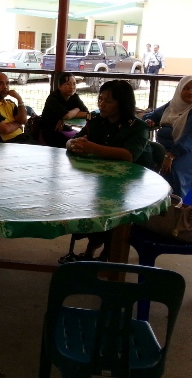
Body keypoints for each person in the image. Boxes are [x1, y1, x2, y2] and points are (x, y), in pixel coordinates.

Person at [62, 80, 153, 262]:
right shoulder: (96, 121)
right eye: (100, 99)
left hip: (132, 184)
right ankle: (93, 247)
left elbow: (128, 155)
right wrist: (72, 144)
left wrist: (91, 148)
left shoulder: (138, 127)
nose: (101, 104)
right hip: (101, 178)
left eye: (108, 101)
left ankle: (109, 254)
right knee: (82, 200)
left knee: (112, 207)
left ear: (123, 103)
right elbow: (77, 139)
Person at [144, 76, 192, 198]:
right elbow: (152, 115)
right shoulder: (173, 105)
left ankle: (181, 204)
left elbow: (189, 140)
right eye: (186, 88)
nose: (190, 92)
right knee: (146, 160)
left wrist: (170, 156)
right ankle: (156, 201)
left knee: (175, 169)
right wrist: (149, 120)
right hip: (168, 149)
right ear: (179, 89)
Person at [0, 72, 35, 144]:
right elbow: (4, 129)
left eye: (7, 83)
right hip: (8, 144)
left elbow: (23, 120)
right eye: (1, 83)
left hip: (23, 139)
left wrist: (19, 99)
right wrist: (18, 124)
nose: (5, 87)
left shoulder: (10, 103)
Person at [40, 73, 89, 148]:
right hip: (51, 132)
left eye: (74, 84)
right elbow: (67, 115)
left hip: (66, 129)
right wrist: (77, 109)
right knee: (76, 144)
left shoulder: (74, 96)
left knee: (84, 139)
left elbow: (86, 113)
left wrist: (63, 118)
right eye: (68, 84)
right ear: (60, 86)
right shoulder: (53, 99)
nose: (72, 87)